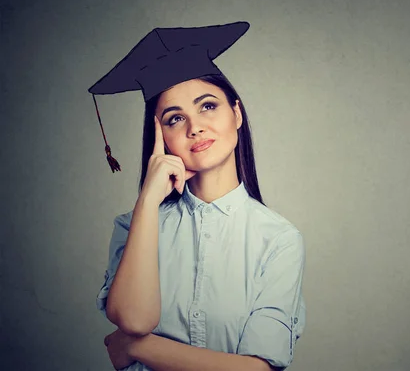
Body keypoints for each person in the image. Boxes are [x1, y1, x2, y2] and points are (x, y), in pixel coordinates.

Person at [90, 21, 306, 371]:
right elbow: (133, 319)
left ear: (236, 113)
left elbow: (258, 369)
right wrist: (147, 200)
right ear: (160, 138)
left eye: (207, 106)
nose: (195, 127)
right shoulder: (133, 226)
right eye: (175, 118)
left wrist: (136, 348)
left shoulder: (278, 239)